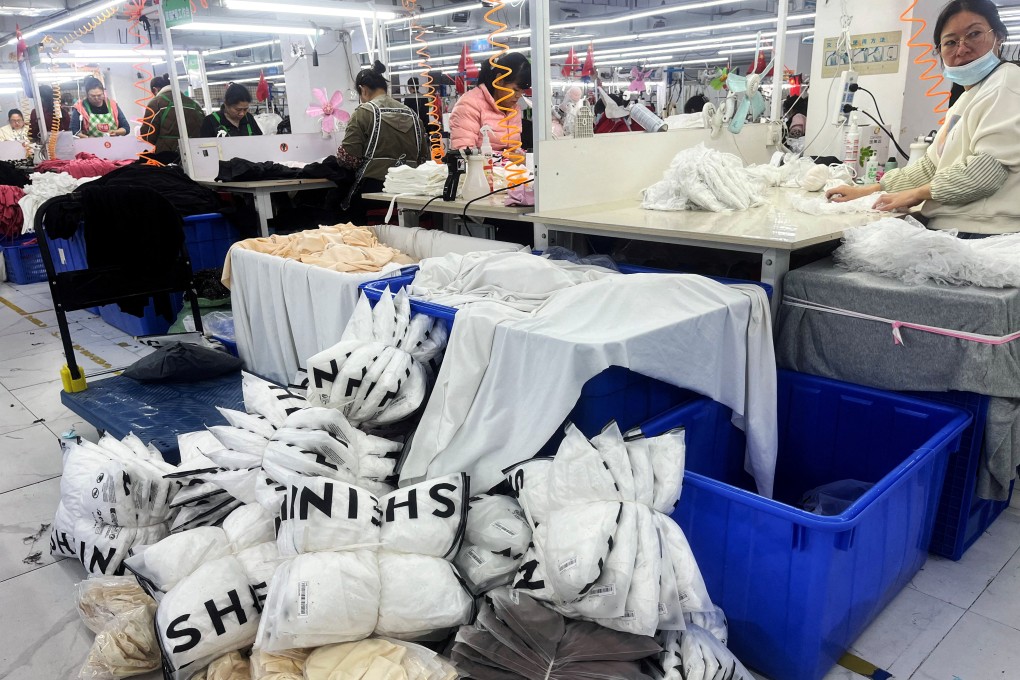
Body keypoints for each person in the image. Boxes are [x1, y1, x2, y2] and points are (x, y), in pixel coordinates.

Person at [826, 0, 1020, 235]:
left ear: (998, 36)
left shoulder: (1007, 84)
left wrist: (916, 194)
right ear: (939, 50)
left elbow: (986, 173)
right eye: (950, 42)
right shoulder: (968, 98)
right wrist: (868, 190)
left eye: (974, 34)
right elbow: (930, 167)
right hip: (955, 228)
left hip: (983, 232)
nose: (961, 49)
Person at [335, 60, 427, 223]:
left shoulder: (363, 113)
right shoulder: (413, 116)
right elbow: (423, 159)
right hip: (411, 190)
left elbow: (348, 158)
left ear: (363, 90)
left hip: (374, 192)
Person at [449, 52, 531, 151]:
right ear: (499, 80)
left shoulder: (513, 109)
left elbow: (514, 149)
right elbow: (463, 152)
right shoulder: (469, 104)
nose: (519, 96)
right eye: (516, 90)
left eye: (522, 91)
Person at [141, 74, 204, 154]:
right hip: (194, 152)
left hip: (167, 154)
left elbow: (147, 135)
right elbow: (203, 129)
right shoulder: (194, 104)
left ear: (155, 89)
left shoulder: (156, 103)